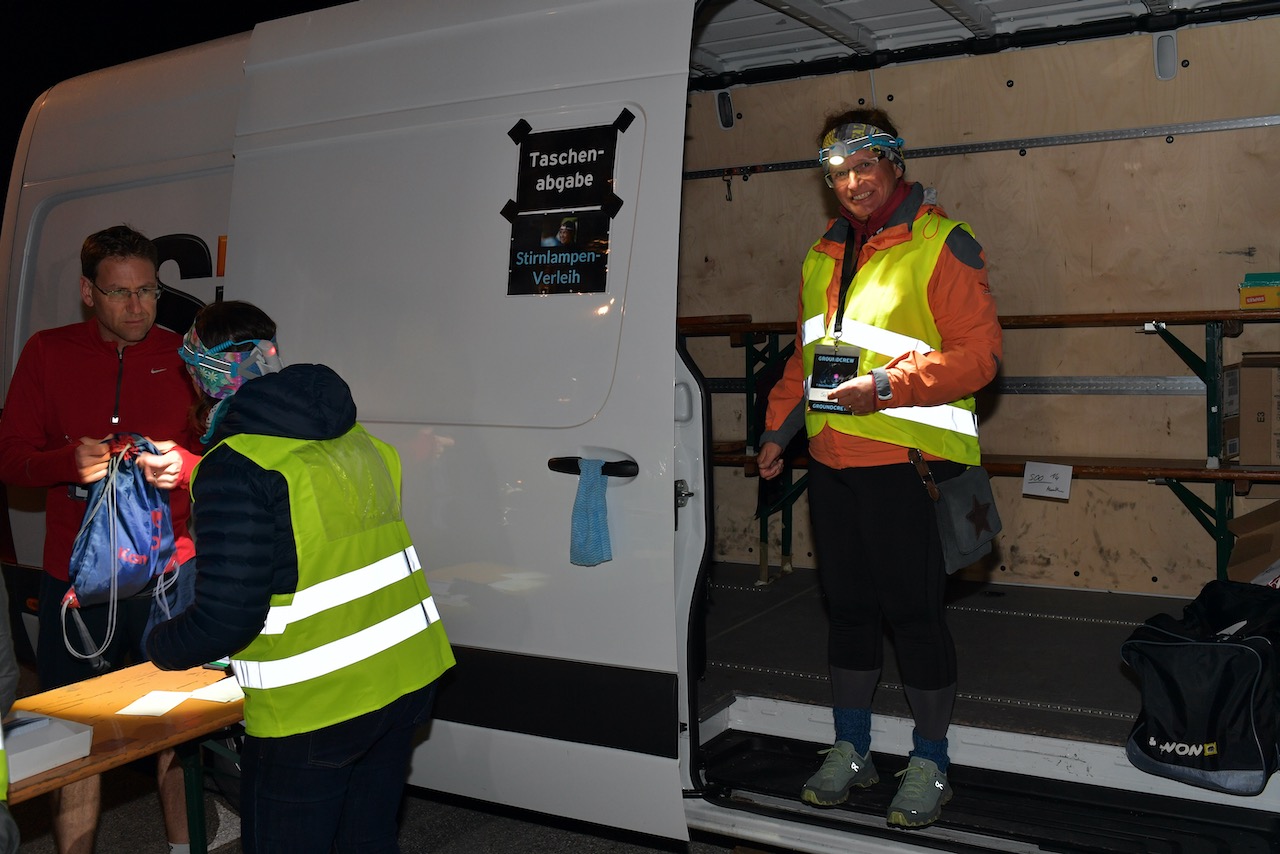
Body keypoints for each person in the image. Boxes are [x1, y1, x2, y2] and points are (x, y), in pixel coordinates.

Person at [757, 108, 1002, 829]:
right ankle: (852, 750)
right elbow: (808, 358)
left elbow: (980, 357)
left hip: (908, 469)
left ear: (895, 163)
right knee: (850, 614)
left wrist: (892, 386)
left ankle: (930, 761)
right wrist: (780, 429)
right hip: (833, 466)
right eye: (839, 173)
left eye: (866, 166)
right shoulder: (821, 255)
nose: (854, 183)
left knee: (915, 617)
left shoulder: (941, 244)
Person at [147, 300, 455, 853]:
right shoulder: (358, 440)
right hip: (405, 677)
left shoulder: (235, 466)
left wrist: (158, 645)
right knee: (366, 842)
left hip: (316, 706)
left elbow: (226, 618)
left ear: (203, 376)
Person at [0, 224, 199, 853]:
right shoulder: (48, 352)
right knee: (74, 735)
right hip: (74, 583)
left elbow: (231, 462)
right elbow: (11, 461)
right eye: (120, 293)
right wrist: (67, 461)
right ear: (89, 292)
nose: (138, 307)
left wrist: (186, 468)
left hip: (171, 574)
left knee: (179, 728)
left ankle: (182, 846)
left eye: (148, 290)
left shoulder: (186, 354)